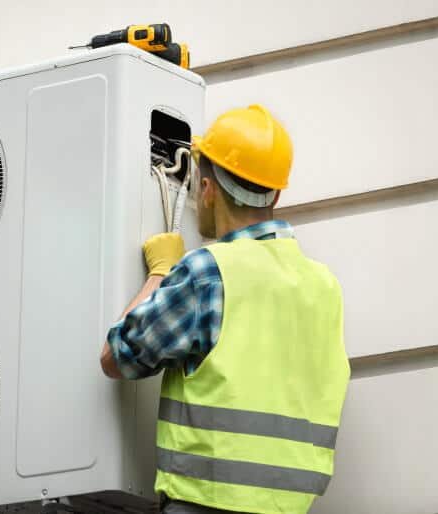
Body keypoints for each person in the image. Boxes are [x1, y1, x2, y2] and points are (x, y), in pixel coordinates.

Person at [100, 105, 350, 514]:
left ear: (208, 189)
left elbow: (116, 358)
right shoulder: (324, 286)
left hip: (204, 504)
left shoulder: (207, 273)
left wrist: (160, 274)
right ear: (276, 193)